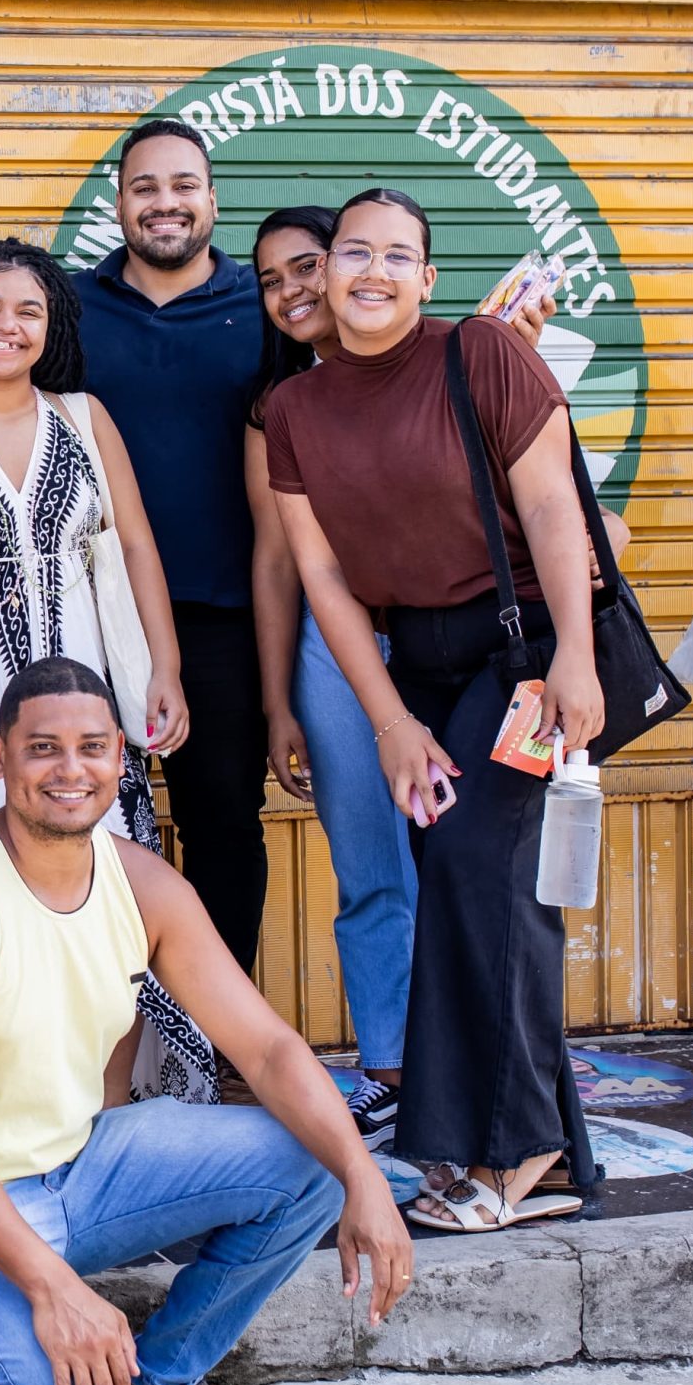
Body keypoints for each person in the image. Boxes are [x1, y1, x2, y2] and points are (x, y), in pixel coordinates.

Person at [0, 657, 411, 1385]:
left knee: (317, 1157)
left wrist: (361, 1175)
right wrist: (54, 1287)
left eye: (92, 747)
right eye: (43, 748)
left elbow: (271, 1048)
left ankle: (164, 1378)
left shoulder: (142, 883)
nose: (70, 769)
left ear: (122, 757)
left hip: (79, 1170)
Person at [266, 187, 603, 1229]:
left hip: (526, 657)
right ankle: (532, 1149)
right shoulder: (293, 410)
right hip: (415, 663)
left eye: (395, 256)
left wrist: (578, 660)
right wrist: (387, 721)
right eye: (350, 253)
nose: (370, 272)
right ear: (321, 275)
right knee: (469, 883)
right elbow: (322, 578)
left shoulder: (483, 356)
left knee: (476, 873)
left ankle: (515, 1157)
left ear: (428, 278)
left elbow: (551, 504)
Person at [0, 237, 188, 849]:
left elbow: (135, 549)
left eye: (29, 311)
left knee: (102, 860)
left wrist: (168, 668)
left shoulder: (85, 418)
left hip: (88, 679)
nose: (7, 326)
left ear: (51, 328)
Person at [70, 119, 271, 970]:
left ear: (212, 199)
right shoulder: (69, 306)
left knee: (221, 822)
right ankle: (107, 1043)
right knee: (82, 826)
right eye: (145, 187)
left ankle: (219, 1043)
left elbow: (377, 362)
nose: (165, 203)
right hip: (85, 615)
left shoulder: (266, 309)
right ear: (117, 204)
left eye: (183, 185)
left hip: (223, 620)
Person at [242, 205, 418, 1148]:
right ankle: (388, 1066)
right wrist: (279, 701)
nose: (294, 291)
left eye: (308, 264)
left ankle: (471, 1061)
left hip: (441, 642)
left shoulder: (439, 367)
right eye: (271, 280)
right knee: (369, 868)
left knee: (465, 864)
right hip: (329, 654)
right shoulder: (279, 411)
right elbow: (278, 565)